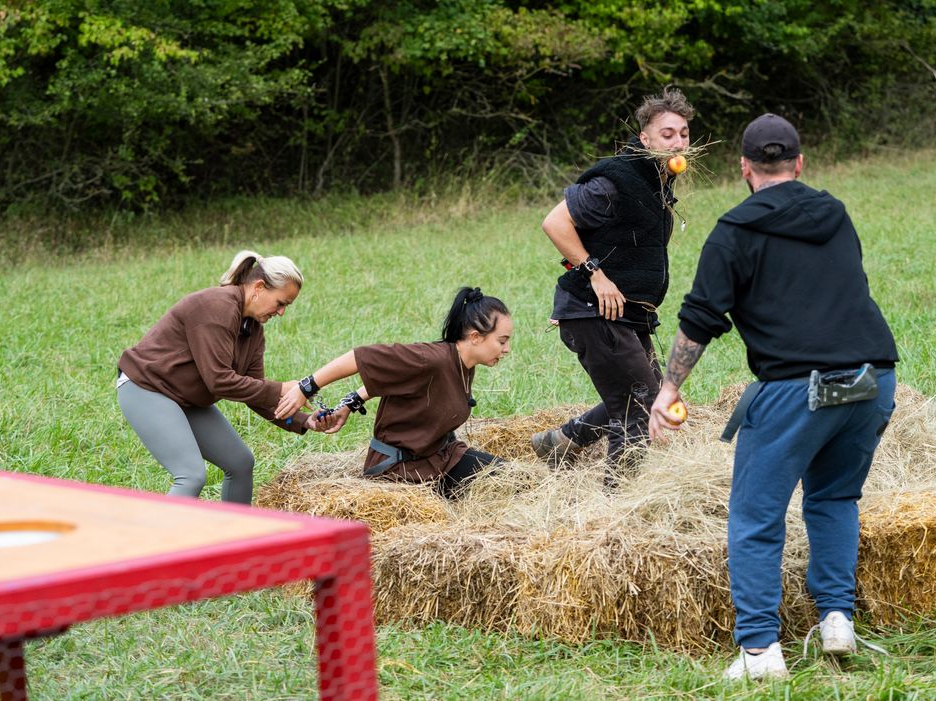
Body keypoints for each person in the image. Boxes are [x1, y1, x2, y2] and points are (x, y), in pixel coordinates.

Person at [648, 114, 898, 681]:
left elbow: (699, 320)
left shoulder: (733, 231)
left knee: (756, 517)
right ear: (800, 164)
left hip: (795, 389)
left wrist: (669, 390)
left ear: (744, 167)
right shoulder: (834, 213)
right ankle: (836, 620)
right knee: (835, 497)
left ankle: (760, 652)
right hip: (872, 378)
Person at [529, 85, 694, 485]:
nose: (678, 141)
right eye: (667, 133)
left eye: (684, 133)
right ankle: (617, 503)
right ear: (645, 138)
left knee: (648, 394)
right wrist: (595, 273)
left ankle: (561, 441)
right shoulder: (617, 179)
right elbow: (555, 222)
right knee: (641, 405)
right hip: (592, 310)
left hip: (627, 314)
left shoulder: (656, 181)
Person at [118, 250, 323, 505]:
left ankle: (235, 540)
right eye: (281, 303)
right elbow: (220, 380)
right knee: (190, 475)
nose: (281, 312)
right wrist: (282, 388)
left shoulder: (254, 329)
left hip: (184, 397)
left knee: (240, 463)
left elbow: (256, 393)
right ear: (259, 287)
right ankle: (158, 543)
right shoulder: (218, 305)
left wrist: (305, 421)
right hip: (146, 388)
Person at [275, 287, 512, 499]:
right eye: (502, 341)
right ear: (475, 337)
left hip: (441, 458)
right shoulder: (429, 359)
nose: (507, 349)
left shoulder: (464, 364)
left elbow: (396, 379)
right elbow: (359, 358)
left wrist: (350, 403)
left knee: (515, 480)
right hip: (400, 472)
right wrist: (306, 387)